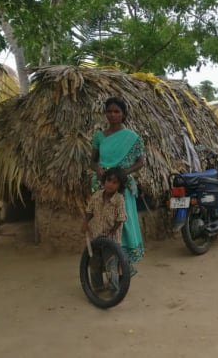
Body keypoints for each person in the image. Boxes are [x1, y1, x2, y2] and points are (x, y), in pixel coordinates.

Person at [91, 97, 145, 274]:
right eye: (109, 111)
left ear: (123, 114)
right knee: (102, 221)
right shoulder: (99, 137)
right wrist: (99, 171)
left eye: (116, 111)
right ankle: (105, 261)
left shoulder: (132, 137)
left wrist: (121, 175)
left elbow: (140, 162)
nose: (112, 115)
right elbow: (93, 161)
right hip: (102, 185)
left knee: (122, 221)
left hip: (122, 187)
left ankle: (123, 263)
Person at [81, 167, 127, 291]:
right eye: (109, 180)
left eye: (115, 182)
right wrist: (85, 222)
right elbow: (89, 211)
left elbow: (121, 218)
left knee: (111, 265)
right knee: (94, 263)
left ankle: (114, 289)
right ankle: (98, 288)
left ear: (120, 185)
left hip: (111, 240)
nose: (110, 184)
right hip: (96, 237)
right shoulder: (96, 196)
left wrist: (112, 232)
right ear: (104, 180)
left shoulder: (119, 199)